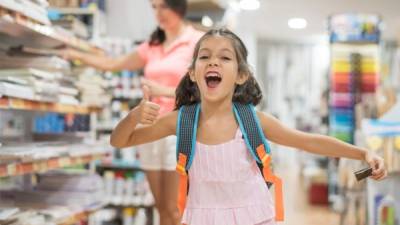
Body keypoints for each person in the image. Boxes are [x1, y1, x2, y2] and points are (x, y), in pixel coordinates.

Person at [110, 28, 387, 225]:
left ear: (241, 75)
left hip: (256, 217)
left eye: (225, 57)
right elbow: (120, 141)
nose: (213, 61)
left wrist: (363, 153)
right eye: (204, 56)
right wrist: (134, 115)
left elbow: (308, 141)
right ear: (193, 73)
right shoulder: (181, 121)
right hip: (200, 217)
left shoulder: (253, 121)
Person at [62, 1, 203, 225]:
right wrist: (73, 52)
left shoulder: (196, 42)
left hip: (178, 129)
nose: (159, 13)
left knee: (175, 209)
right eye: (154, 7)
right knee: (160, 207)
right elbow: (113, 64)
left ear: (179, 7)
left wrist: (163, 91)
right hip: (149, 129)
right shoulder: (153, 45)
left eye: (163, 6)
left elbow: (203, 90)